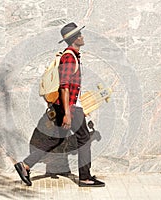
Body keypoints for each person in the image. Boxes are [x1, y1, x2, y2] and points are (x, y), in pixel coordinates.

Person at [14, 22, 105, 187]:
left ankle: (25, 165)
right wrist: (68, 113)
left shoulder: (73, 56)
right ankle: (85, 177)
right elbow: (64, 87)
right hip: (68, 107)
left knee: (54, 140)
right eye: (79, 35)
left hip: (68, 106)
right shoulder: (69, 57)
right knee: (84, 139)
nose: (82, 37)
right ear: (74, 39)